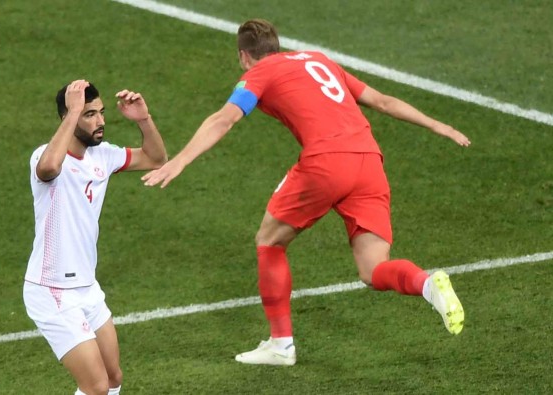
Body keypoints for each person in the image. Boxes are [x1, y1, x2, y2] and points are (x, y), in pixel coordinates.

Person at [142, 19, 469, 366]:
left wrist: (179, 161)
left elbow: (224, 119)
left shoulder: (260, 72)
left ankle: (281, 345)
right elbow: (383, 102)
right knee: (373, 269)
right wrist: (438, 124)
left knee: (269, 240)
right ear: (276, 45)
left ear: (243, 56)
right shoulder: (319, 59)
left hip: (327, 162)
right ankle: (426, 282)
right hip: (370, 161)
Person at [24, 79, 167, 393]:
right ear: (69, 118)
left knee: (113, 378)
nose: (100, 121)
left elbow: (156, 159)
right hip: (52, 289)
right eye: (89, 114)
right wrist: (74, 112)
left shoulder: (103, 155)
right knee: (96, 386)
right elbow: (49, 168)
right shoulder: (44, 156)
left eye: (101, 113)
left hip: (87, 286)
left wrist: (144, 119)